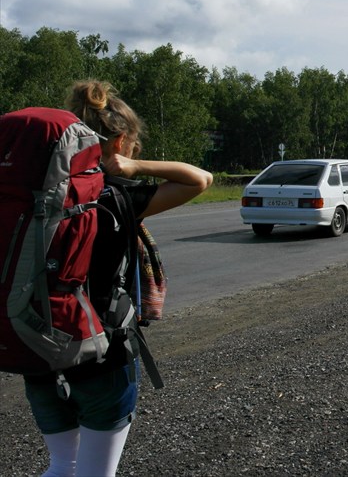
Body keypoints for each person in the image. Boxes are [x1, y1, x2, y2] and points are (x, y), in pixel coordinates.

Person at [22, 80, 213, 477]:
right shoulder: (119, 198)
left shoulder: (31, 200)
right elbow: (199, 179)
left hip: (36, 345)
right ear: (121, 141)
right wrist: (134, 168)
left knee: (61, 464)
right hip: (101, 353)